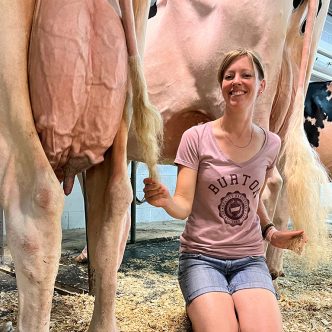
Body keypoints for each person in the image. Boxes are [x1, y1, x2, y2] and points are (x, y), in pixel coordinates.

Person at [143, 49, 307, 332]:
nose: (236, 81)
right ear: (222, 86)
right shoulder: (196, 137)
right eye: (229, 76)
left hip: (250, 260)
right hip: (202, 257)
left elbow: (250, 196)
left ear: (261, 84)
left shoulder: (271, 144)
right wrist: (166, 201)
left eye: (246, 75)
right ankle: (205, 302)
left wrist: (271, 232)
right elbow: (183, 204)